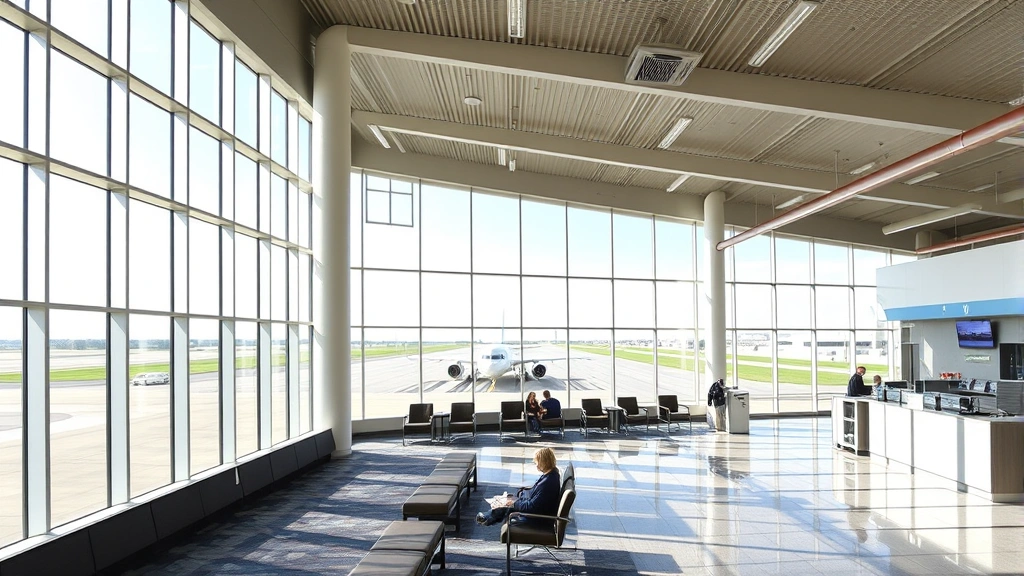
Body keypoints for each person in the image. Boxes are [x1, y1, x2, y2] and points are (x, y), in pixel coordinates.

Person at [477, 447, 561, 526]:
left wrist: (514, 503)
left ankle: (487, 518)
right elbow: (535, 496)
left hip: (537, 519)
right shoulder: (550, 475)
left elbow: (532, 507)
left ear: (544, 462)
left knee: (509, 506)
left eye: (537, 462)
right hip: (536, 510)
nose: (536, 465)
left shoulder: (547, 482)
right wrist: (519, 497)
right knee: (509, 500)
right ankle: (488, 517)